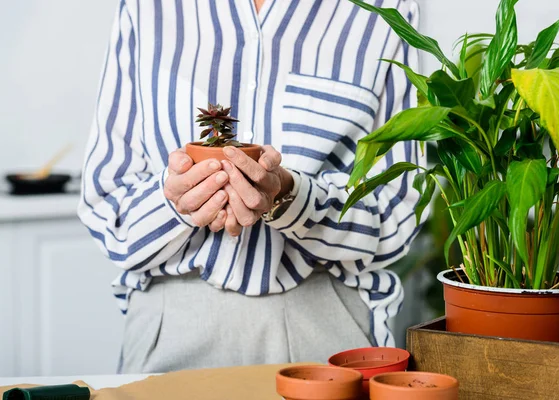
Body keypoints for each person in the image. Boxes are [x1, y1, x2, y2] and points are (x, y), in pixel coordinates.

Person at [78, 0, 424, 373]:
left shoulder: (384, 8)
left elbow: (396, 213)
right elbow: (107, 203)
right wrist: (176, 201)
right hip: (172, 322)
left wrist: (292, 198)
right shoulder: (147, 7)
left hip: (327, 324)